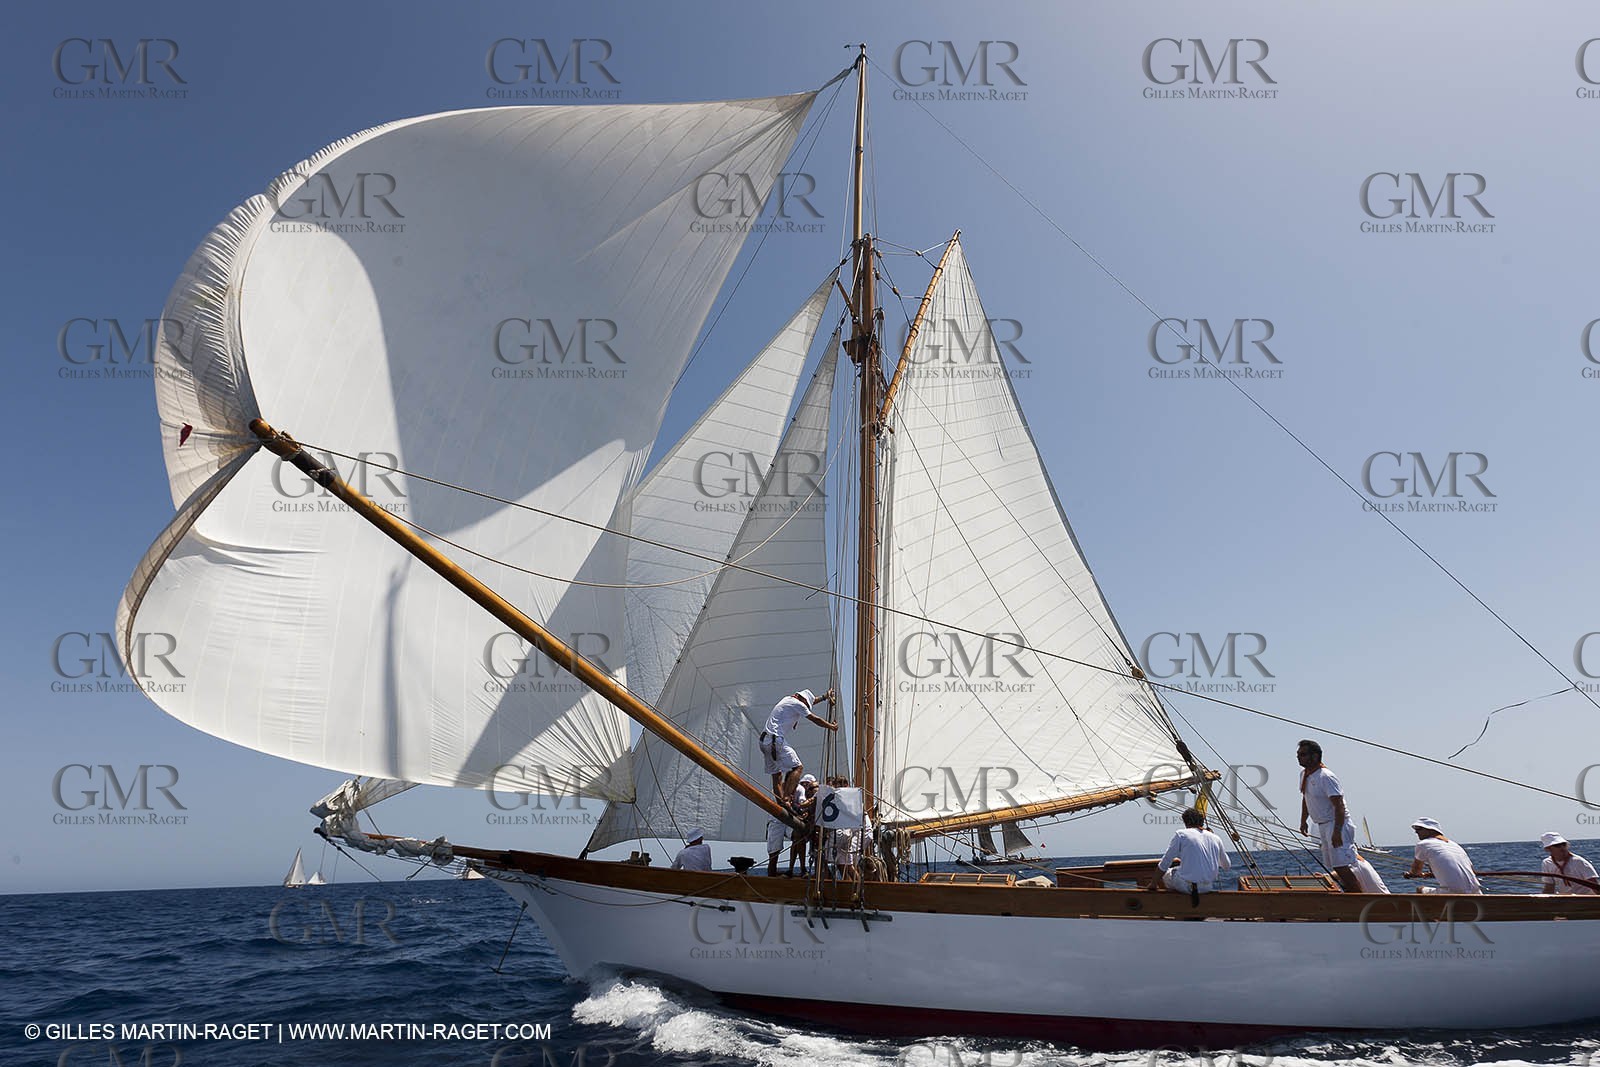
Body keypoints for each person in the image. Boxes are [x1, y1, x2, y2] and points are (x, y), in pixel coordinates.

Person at [1296, 739, 1363, 893]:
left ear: (1315, 756)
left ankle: (1359, 900)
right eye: (1298, 754)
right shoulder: (1304, 775)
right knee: (1335, 866)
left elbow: (1338, 805)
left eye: (1303, 754)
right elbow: (1306, 798)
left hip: (1336, 823)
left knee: (1342, 866)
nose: (1299, 757)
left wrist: (1337, 831)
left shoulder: (1326, 776)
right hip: (1322, 824)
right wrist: (1303, 820)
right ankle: (1352, 897)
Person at [761, 687, 839, 806]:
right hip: (775, 740)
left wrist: (824, 697)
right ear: (803, 700)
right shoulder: (798, 704)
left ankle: (781, 805)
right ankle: (786, 799)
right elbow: (815, 719)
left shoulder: (788, 699)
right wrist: (831, 727)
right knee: (798, 768)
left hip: (764, 741)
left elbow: (811, 701)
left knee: (777, 776)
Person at [1151, 807, 1231, 896]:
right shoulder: (1216, 838)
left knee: (1166, 874)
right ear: (1202, 821)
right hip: (1207, 888)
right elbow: (1227, 866)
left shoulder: (1181, 834)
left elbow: (1165, 862)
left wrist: (1153, 884)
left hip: (1186, 887)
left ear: (1186, 822)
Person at [1404, 817, 1481, 894]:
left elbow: (1416, 871)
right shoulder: (1455, 845)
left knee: (1420, 889)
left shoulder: (1423, 844)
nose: (1416, 832)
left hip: (1452, 893)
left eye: (1419, 828)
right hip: (1476, 892)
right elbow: (1472, 871)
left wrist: (1411, 874)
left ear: (1430, 830)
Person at [788, 775, 818, 877]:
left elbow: (804, 805)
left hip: (815, 826)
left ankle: (802, 869)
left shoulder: (814, 795)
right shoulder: (804, 793)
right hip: (808, 824)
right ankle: (799, 869)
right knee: (797, 838)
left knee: (800, 840)